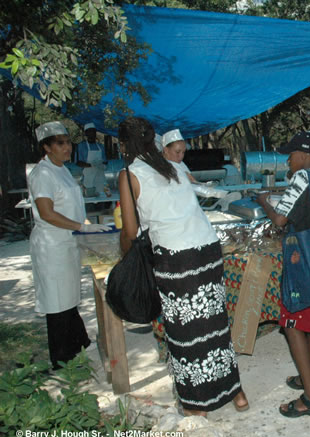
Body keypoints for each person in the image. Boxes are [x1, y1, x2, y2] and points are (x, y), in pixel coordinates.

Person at [117, 117, 248, 417]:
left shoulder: (130, 174)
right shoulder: (172, 166)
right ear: (153, 141)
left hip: (176, 258)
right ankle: (237, 394)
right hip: (207, 250)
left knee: (185, 330)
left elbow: (129, 230)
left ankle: (195, 403)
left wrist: (126, 257)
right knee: (215, 324)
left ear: (124, 145)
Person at [255, 131, 310, 418]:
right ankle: (309, 375)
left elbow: (280, 220)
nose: (288, 159)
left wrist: (264, 201)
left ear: (306, 155)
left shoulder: (301, 178)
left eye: (291, 153)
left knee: (291, 323)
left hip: (301, 261)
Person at [28, 121, 112, 370]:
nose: (67, 148)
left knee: (69, 297)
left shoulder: (62, 169)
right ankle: (63, 361)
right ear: (47, 147)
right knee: (57, 301)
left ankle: (79, 344)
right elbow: (47, 213)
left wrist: (85, 228)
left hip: (68, 242)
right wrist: (82, 227)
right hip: (52, 245)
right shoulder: (42, 174)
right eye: (60, 143)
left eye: (68, 142)